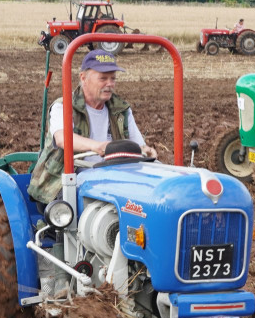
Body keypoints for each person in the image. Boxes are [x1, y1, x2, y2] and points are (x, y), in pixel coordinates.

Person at [28, 49, 158, 204]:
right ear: (83, 78)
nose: (110, 84)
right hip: (66, 180)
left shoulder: (122, 110)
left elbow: (137, 145)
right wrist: (98, 146)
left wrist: (145, 151)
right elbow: (62, 138)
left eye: (113, 78)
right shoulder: (63, 106)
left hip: (112, 177)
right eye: (103, 78)